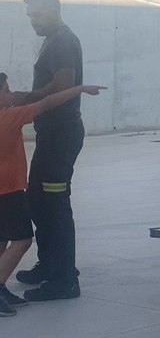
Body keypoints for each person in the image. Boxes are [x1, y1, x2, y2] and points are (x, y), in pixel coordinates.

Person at [0, 74, 105, 315]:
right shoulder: (8, 118)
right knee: (23, 240)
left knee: (1, 240)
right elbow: (47, 103)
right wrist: (78, 88)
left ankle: (2, 285)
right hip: (8, 191)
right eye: (6, 90)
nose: (11, 94)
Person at [14, 0, 86, 301]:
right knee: (40, 200)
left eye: (37, 14)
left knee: (54, 204)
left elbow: (63, 85)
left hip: (61, 134)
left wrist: (24, 99)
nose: (33, 21)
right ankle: (49, 264)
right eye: (30, 16)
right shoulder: (54, 39)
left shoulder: (62, 41)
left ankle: (65, 279)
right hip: (52, 134)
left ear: (54, 10)